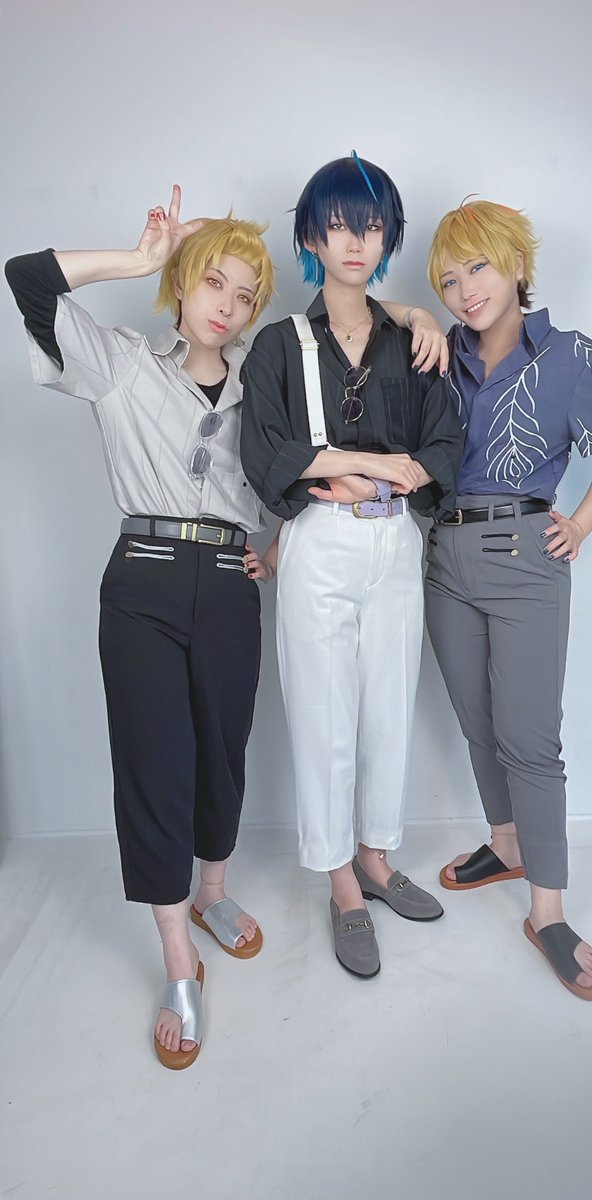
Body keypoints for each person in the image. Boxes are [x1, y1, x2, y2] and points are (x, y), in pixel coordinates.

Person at [5, 186, 276, 1067]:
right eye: (213, 283)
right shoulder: (122, 363)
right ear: (184, 284)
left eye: (244, 296)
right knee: (156, 763)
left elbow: (298, 474)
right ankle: (176, 956)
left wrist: (274, 547)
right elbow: (27, 277)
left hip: (229, 583)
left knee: (222, 751)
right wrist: (136, 259)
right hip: (144, 582)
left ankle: (212, 891)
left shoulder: (263, 386)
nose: (226, 306)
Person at [240, 154, 463, 978]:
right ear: (310, 236)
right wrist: (355, 465)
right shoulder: (277, 344)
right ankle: (339, 881)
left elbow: (443, 442)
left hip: (395, 540)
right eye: (337, 225)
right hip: (319, 543)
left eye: (370, 227)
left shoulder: (412, 339)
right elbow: (264, 448)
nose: (354, 242)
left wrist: (386, 477)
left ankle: (375, 856)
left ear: (386, 237)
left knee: (387, 707)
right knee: (323, 714)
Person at [420, 199, 592, 999]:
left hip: (524, 557)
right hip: (443, 553)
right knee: (476, 718)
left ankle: (546, 911)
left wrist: (579, 522)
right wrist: (415, 316)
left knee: (528, 736)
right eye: (448, 279)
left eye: (477, 267)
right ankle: (506, 843)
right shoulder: (436, 353)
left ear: (516, 263)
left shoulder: (567, 354)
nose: (465, 290)